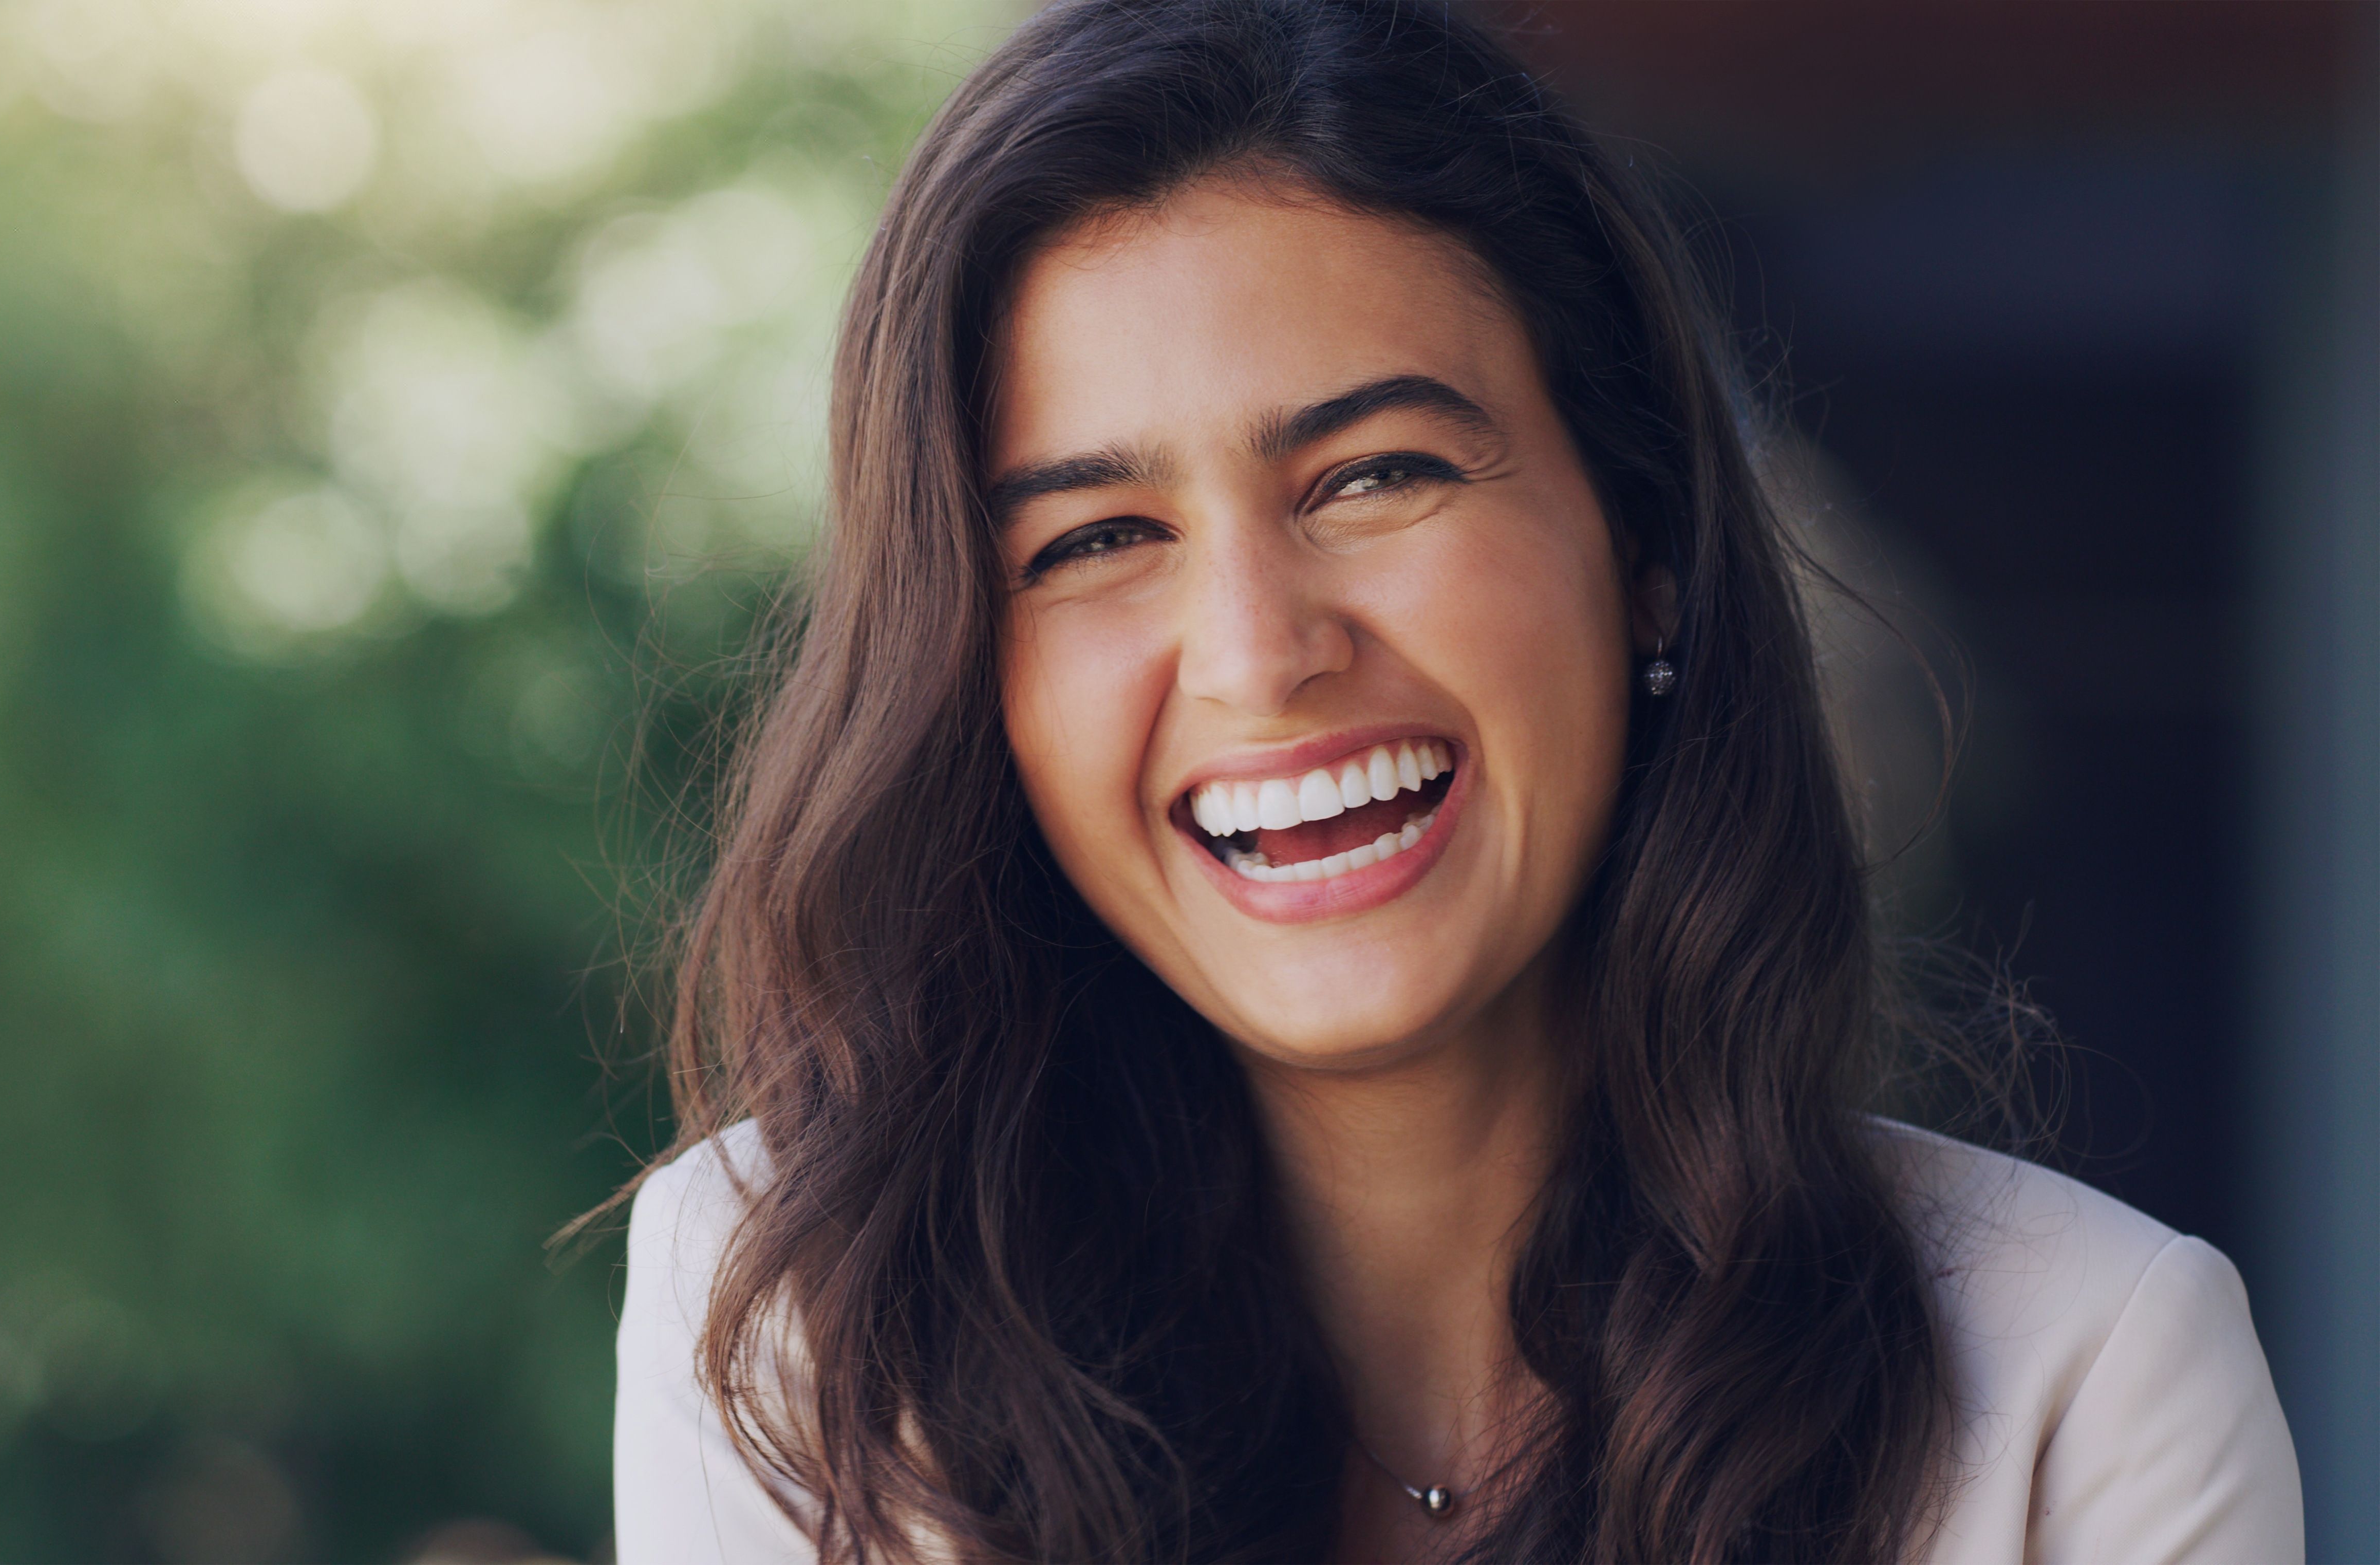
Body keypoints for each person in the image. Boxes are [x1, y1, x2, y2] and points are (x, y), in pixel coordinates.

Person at [607, 0, 2304, 1558]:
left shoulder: (2085, 1382)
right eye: (1100, 537)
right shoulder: (802, 1322)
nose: (1259, 653)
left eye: (1375, 475)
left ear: (1641, 541)